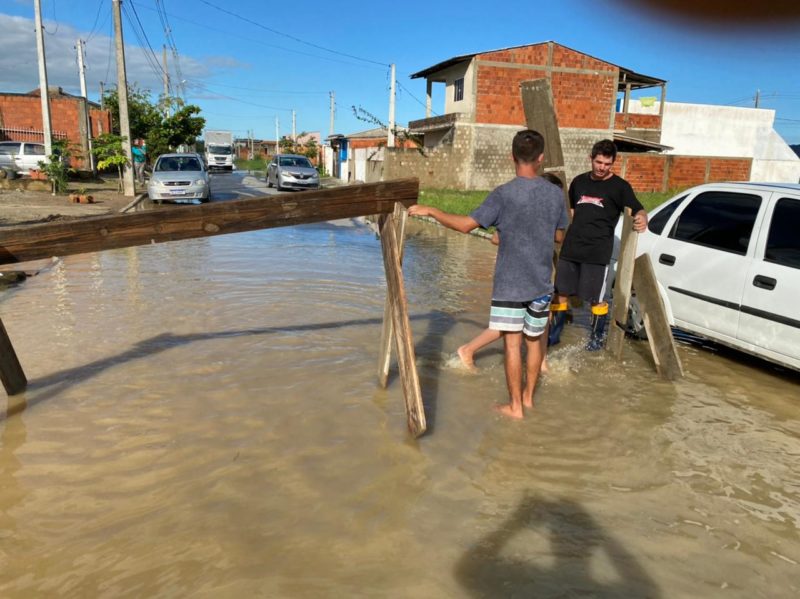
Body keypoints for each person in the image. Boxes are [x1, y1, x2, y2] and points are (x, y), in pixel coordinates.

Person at [408, 130, 568, 419]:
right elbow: (558, 236)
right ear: (541, 159)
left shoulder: (503, 194)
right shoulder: (555, 194)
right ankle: (529, 399)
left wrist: (432, 210)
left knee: (511, 344)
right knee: (535, 342)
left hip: (510, 285)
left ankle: (515, 407)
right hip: (542, 282)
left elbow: (466, 225)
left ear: (512, 157)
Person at [457, 172, 565, 372]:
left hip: (533, 272)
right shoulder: (521, 208)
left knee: (540, 319)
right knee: (508, 324)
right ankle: (468, 349)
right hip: (517, 271)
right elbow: (496, 238)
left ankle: (542, 363)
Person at [550, 139, 648, 351]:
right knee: (561, 292)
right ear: (591, 159)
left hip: (598, 252)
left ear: (612, 163)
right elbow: (570, 212)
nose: (602, 167)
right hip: (571, 249)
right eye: (599, 162)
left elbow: (638, 209)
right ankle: (554, 336)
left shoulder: (621, 187)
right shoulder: (578, 182)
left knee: (596, 299)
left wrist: (642, 218)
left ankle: (595, 342)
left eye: (607, 164)